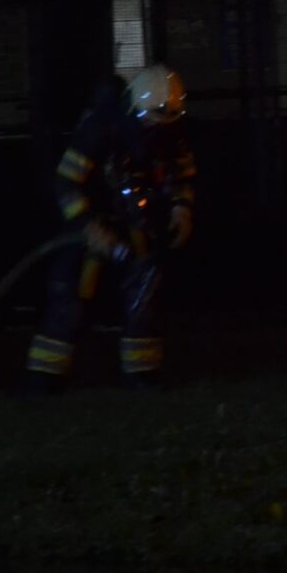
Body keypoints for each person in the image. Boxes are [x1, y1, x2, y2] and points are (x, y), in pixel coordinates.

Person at [25, 64, 196, 392]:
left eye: (166, 121)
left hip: (135, 223)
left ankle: (141, 374)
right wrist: (90, 227)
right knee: (70, 298)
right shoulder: (99, 128)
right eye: (152, 119)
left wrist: (181, 210)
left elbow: (183, 174)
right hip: (90, 222)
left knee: (143, 291)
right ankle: (44, 379)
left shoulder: (170, 127)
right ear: (133, 107)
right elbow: (65, 183)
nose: (157, 128)